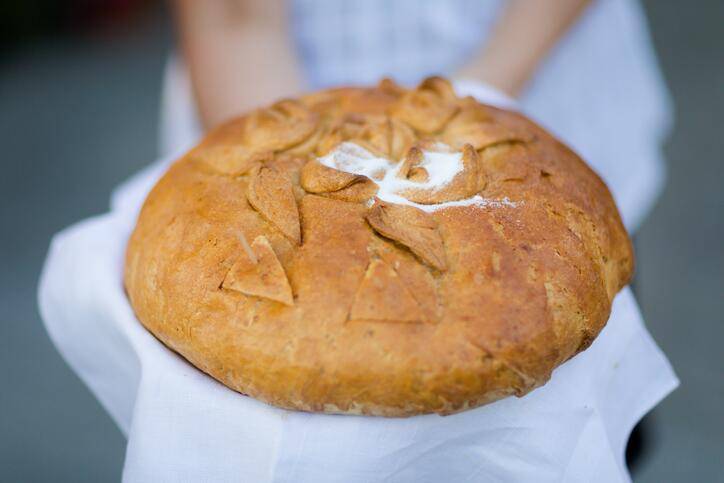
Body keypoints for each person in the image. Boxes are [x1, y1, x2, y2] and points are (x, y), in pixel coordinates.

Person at [166, 0, 671, 234]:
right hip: (265, 90)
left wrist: (482, 90)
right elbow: (233, 17)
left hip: (546, 93)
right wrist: (282, 184)